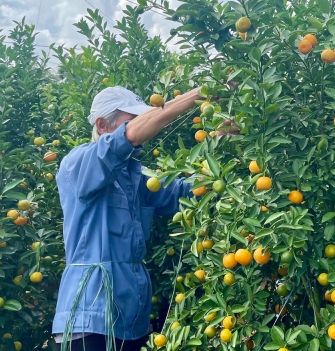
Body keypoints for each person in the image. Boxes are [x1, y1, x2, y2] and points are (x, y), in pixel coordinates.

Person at [51, 86, 214, 351]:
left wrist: (220, 136)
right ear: (103, 124)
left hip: (132, 317)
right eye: (132, 119)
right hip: (89, 317)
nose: (141, 127)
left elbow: (184, 193)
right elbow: (124, 139)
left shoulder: (134, 176)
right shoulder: (78, 163)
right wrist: (197, 95)